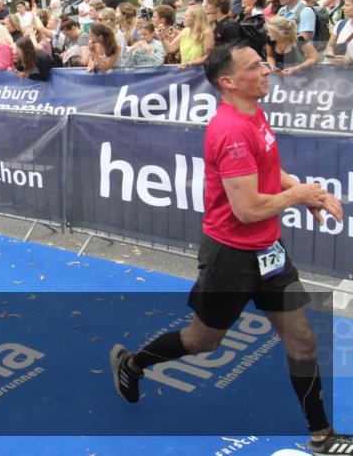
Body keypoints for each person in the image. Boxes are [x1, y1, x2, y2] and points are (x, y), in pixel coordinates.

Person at [109, 41, 349, 455]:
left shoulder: (254, 115)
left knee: (303, 341)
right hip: (230, 257)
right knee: (203, 341)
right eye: (256, 66)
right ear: (230, 81)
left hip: (269, 252)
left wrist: (301, 191)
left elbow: (271, 172)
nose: (267, 70)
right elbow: (248, 208)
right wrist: (300, 195)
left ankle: (321, 436)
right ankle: (131, 364)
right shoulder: (231, 130)